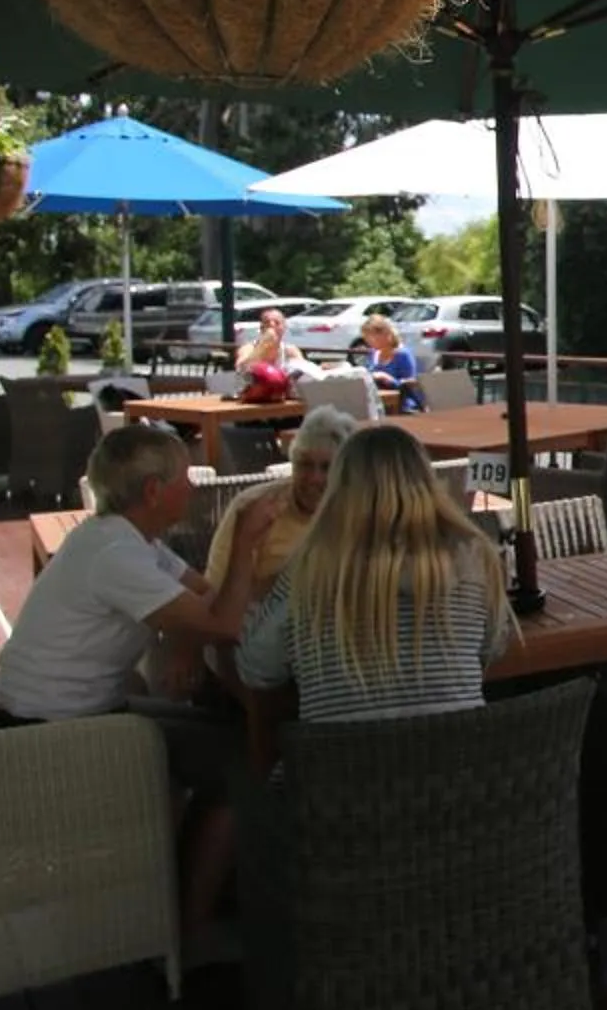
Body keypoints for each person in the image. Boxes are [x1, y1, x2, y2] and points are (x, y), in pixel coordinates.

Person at [0, 423, 280, 942]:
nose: (190, 487)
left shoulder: (127, 539)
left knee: (220, 736)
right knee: (242, 761)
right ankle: (186, 928)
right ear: (153, 491)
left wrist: (197, 634)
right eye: (184, 478)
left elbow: (207, 597)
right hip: (57, 731)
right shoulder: (117, 556)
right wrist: (244, 542)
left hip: (71, 712)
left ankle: (174, 891)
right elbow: (225, 624)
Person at [233, 423, 516, 727]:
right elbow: (494, 646)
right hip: (463, 766)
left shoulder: (308, 570)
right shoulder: (472, 558)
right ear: (426, 483)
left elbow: (255, 669)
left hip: (341, 769)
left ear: (340, 491)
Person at [203, 404, 354, 592]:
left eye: (327, 467)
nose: (315, 478)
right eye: (305, 465)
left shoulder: (358, 509)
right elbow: (217, 588)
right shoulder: (252, 507)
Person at [357, 310, 424, 413]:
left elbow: (410, 385)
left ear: (386, 334)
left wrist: (388, 378)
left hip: (401, 405)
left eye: (371, 336)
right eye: (366, 336)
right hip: (377, 402)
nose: (368, 340)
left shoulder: (402, 355)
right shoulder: (374, 353)